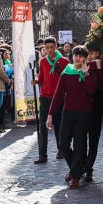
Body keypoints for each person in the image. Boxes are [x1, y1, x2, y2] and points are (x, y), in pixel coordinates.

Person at [47, 45, 97, 189]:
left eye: (81, 56)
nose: (78, 58)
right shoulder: (66, 72)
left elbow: (91, 90)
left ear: (85, 58)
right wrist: (50, 113)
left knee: (79, 144)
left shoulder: (89, 72)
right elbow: (58, 94)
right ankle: (76, 169)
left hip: (84, 113)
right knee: (63, 143)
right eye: (76, 55)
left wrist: (86, 74)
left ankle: (75, 176)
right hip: (68, 112)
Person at [32, 36, 70, 164]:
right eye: (47, 48)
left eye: (51, 47)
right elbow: (42, 77)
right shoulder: (43, 61)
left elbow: (67, 79)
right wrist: (36, 81)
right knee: (43, 126)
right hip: (45, 97)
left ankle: (60, 149)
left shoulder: (64, 61)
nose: (49, 50)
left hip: (59, 97)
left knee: (59, 124)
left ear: (56, 46)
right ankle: (43, 153)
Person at [83, 42, 103, 182]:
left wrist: (98, 69)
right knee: (80, 141)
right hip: (83, 111)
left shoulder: (102, 65)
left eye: (92, 54)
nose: (90, 57)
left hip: (97, 110)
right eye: (88, 54)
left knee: (93, 142)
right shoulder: (82, 66)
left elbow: (101, 86)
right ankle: (80, 166)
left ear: (97, 53)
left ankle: (89, 169)